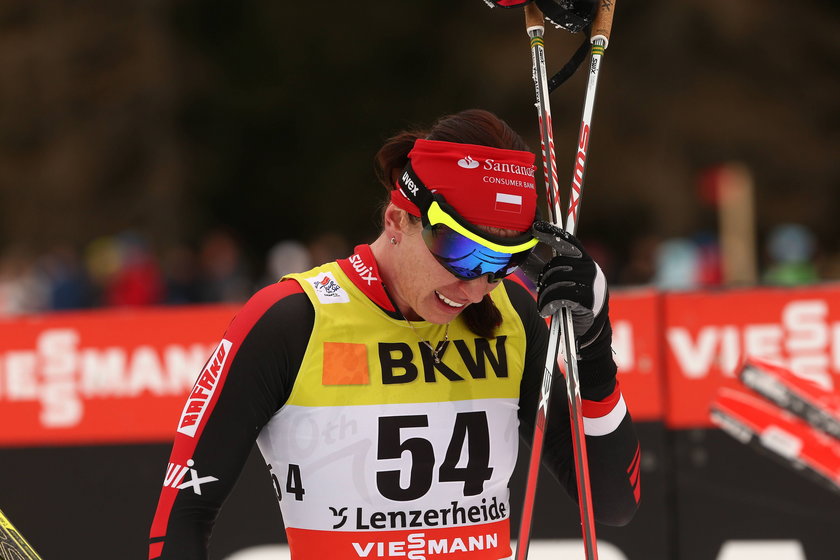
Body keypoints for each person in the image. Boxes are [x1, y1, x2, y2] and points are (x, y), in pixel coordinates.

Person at [148, 109, 640, 559]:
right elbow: (184, 514)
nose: (474, 289)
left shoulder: (511, 317)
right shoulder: (293, 320)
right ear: (397, 219)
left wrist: (593, 348)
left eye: (501, 264)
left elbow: (613, 502)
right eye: (464, 256)